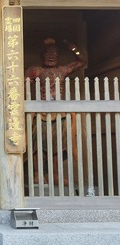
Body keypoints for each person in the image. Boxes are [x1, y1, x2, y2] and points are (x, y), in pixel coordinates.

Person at [24, 37, 87, 184]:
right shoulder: (35, 71)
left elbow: (82, 61)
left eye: (54, 53)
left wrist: (72, 47)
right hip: (40, 112)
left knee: (59, 145)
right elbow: (23, 87)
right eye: (47, 53)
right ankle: (37, 173)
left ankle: (55, 173)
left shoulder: (62, 70)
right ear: (41, 55)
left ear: (58, 56)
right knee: (37, 145)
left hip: (60, 112)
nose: (51, 56)